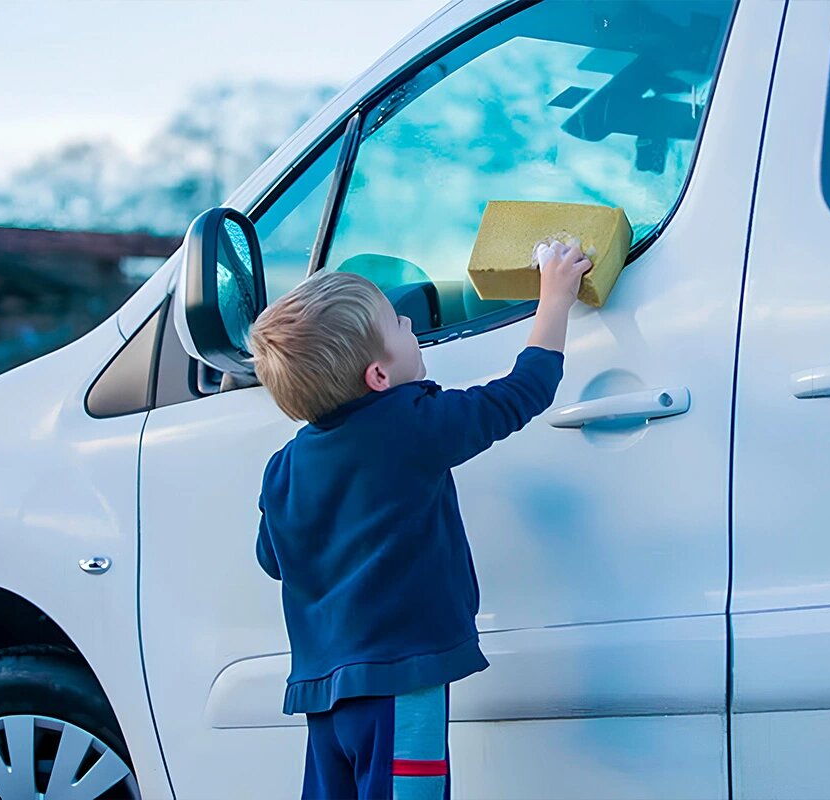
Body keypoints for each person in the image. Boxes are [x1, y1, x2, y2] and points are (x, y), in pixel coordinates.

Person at [246, 242, 593, 800]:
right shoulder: (408, 426)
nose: (410, 320)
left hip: (322, 693)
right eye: (397, 321)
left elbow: (271, 558)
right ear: (379, 375)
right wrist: (554, 299)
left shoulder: (284, 466)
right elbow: (518, 396)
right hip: (399, 682)